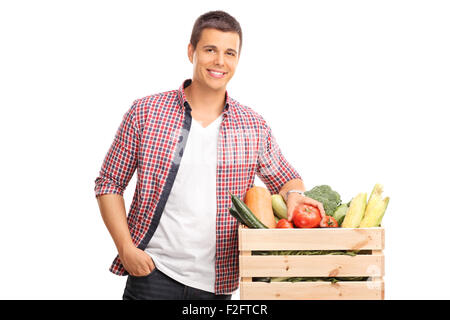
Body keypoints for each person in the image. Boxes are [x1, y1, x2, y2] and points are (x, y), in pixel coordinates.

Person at [94, 10, 325, 300]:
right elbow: (109, 183)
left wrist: (295, 195)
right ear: (191, 51)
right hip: (153, 274)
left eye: (230, 53)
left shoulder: (252, 125)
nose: (220, 61)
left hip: (217, 285)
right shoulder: (146, 112)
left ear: (238, 60)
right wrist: (126, 248)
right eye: (210, 50)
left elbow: (286, 178)